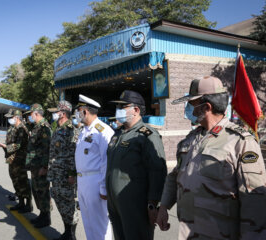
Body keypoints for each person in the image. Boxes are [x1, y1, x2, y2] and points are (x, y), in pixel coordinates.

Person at [156, 76, 266, 239]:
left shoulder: (240, 141)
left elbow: (254, 201)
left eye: (192, 105)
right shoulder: (189, 140)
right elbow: (174, 177)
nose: (190, 111)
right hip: (188, 233)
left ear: (206, 107)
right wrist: (164, 206)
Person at [106, 90, 167, 240]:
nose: (118, 110)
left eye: (122, 107)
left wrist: (153, 203)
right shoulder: (118, 134)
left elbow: (157, 171)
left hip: (135, 204)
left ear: (136, 110)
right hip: (115, 202)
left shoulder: (146, 135)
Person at [74, 94, 114, 240]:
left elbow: (107, 161)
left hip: (95, 182)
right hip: (83, 181)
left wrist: (104, 188)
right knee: (88, 223)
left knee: (100, 224)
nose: (77, 114)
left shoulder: (103, 131)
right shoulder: (84, 131)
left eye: (78, 111)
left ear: (85, 111)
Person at [47, 101, 79, 240]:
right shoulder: (58, 129)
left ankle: (71, 235)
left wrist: (72, 174)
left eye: (56, 111)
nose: (54, 114)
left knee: (69, 205)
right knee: (61, 203)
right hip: (56, 174)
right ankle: (67, 232)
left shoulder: (71, 130)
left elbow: (74, 154)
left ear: (63, 113)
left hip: (66, 175)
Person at [0, 109, 33, 213]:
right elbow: (10, 142)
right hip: (12, 159)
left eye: (10, 117)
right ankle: (20, 202)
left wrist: (5, 146)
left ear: (16, 117)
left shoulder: (22, 129)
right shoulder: (12, 128)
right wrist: (4, 146)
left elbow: (18, 145)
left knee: (23, 181)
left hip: (20, 159)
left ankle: (28, 204)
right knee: (15, 180)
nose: (9, 119)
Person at [25, 103, 52, 228]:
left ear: (36, 114)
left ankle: (46, 217)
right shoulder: (36, 127)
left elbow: (47, 149)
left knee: (43, 191)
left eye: (31, 114)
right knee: (36, 190)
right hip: (34, 165)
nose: (30, 117)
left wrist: (44, 167)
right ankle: (42, 214)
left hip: (40, 166)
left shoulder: (44, 127)